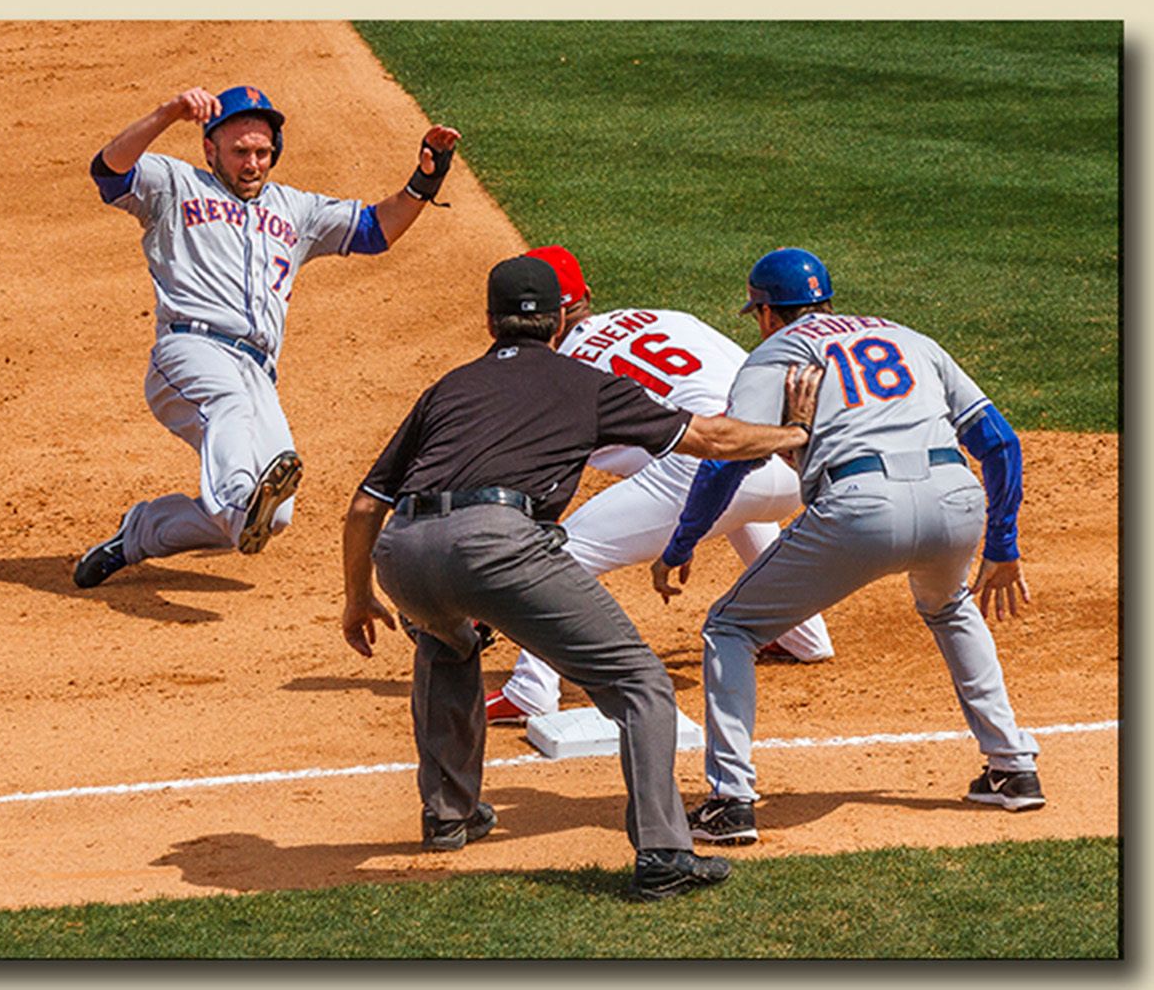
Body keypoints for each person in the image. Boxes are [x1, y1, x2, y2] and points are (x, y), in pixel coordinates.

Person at [340, 254, 822, 901]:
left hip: (403, 553)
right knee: (641, 683)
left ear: (490, 322)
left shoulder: (448, 388)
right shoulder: (583, 381)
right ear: (564, 317)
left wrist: (357, 597)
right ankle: (663, 855)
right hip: (498, 542)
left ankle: (449, 815)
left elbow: (368, 503)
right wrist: (797, 429)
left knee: (446, 642)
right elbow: (708, 438)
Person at [651, 247, 1043, 847]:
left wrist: (682, 542)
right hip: (956, 500)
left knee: (729, 627)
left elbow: (731, 455)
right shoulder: (910, 337)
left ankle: (731, 801)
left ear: (765, 312)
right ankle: (1013, 767)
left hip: (860, 507)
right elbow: (998, 441)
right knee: (949, 606)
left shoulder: (778, 352)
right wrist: (1004, 541)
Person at [73, 85, 461, 587]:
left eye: (262, 152)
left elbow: (373, 231)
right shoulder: (175, 184)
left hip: (257, 370)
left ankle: (141, 535)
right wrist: (169, 112)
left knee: (272, 516)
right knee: (230, 430)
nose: (252, 163)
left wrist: (423, 182)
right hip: (190, 350)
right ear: (210, 149)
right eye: (239, 152)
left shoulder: (294, 209)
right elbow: (109, 170)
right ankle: (236, 498)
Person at [483, 245, 835, 726]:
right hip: (788, 458)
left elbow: (539, 478)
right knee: (739, 495)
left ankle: (530, 690)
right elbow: (755, 374)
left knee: (553, 557)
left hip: (706, 467)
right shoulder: (667, 317)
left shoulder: (552, 373)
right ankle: (801, 631)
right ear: (584, 296)